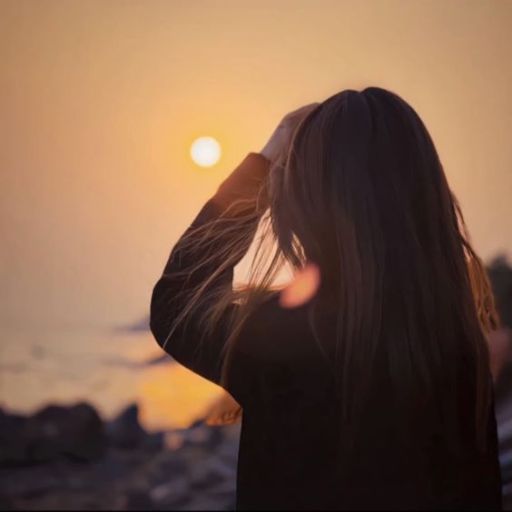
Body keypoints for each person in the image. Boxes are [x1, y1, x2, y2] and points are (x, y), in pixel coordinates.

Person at [150, 87, 503, 510]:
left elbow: (179, 302)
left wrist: (267, 159)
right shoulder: (455, 345)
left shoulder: (282, 339)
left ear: (307, 204)